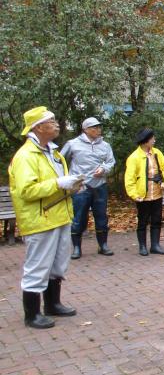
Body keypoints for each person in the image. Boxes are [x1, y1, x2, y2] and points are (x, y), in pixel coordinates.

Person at [9, 106, 83, 329]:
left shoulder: (54, 152)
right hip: (39, 219)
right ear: (38, 127)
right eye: (51, 121)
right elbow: (27, 191)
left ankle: (52, 304)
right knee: (38, 266)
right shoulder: (26, 156)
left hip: (59, 215)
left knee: (58, 263)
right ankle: (31, 314)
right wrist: (59, 183)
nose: (56, 123)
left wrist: (72, 186)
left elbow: (56, 184)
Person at [60, 117, 116, 259]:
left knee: (101, 216)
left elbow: (111, 161)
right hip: (81, 187)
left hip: (99, 186)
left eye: (99, 127)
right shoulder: (72, 144)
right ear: (85, 129)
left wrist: (104, 169)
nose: (98, 130)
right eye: (94, 128)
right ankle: (77, 248)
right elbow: (60, 161)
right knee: (78, 217)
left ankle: (103, 245)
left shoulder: (105, 145)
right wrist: (67, 180)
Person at [124, 129, 164, 256]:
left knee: (157, 219)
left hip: (157, 193)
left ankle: (155, 245)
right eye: (152, 138)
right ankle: (142, 246)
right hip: (142, 196)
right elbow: (129, 179)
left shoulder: (157, 153)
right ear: (146, 141)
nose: (154, 140)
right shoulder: (134, 157)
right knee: (142, 221)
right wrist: (134, 194)